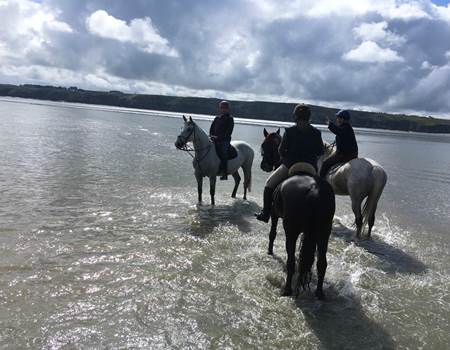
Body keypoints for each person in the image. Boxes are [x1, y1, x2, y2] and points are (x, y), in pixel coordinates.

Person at [255, 104, 324, 222]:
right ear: (309, 117)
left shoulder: (289, 131)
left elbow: (281, 151)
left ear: (295, 116)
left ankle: (265, 213)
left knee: (269, 184)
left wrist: (287, 157)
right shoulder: (317, 132)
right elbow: (320, 151)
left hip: (291, 165)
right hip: (310, 167)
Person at [319, 109, 358, 178]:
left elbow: (338, 131)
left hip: (344, 155)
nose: (337, 119)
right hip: (351, 154)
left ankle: (320, 182)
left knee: (325, 163)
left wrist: (330, 124)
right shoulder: (346, 127)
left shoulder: (345, 127)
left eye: (338, 118)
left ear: (342, 119)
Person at [209, 100, 234, 180]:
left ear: (228, 109)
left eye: (225, 108)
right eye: (222, 108)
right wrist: (211, 135)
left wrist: (218, 137)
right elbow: (211, 128)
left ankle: (224, 173)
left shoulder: (230, 119)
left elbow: (228, 132)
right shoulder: (217, 118)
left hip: (224, 141)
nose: (223, 109)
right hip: (214, 139)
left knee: (223, 153)